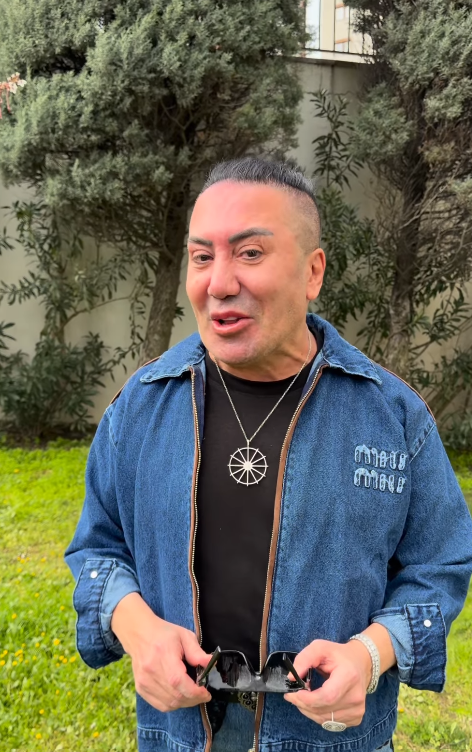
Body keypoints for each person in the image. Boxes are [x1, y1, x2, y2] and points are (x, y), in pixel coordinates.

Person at [65, 157, 472, 752]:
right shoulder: (141, 407)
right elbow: (98, 547)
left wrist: (369, 654)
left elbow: (440, 564)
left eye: (250, 253)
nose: (219, 283)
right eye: (201, 256)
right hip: (179, 736)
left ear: (313, 272)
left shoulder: (392, 417)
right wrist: (136, 627)